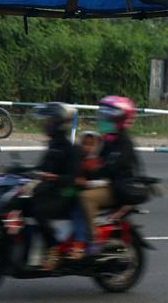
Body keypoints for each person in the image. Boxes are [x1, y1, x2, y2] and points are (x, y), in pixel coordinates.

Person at [80, 96, 141, 239]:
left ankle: (94, 235)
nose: (103, 120)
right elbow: (97, 160)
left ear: (119, 120)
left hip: (119, 187)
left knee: (85, 197)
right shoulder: (110, 139)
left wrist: (91, 173)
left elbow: (109, 167)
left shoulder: (124, 142)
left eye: (107, 117)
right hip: (109, 183)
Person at [28, 103, 80, 270]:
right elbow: (41, 167)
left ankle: (53, 247)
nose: (45, 125)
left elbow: (72, 177)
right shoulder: (53, 145)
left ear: (57, 123)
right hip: (51, 191)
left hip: (65, 195)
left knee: (38, 211)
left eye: (49, 121)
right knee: (24, 204)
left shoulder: (68, 148)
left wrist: (54, 178)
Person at [68, 130, 103, 259]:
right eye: (85, 144)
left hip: (88, 194)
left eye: (90, 144)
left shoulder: (97, 163)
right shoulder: (78, 158)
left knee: (77, 210)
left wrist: (86, 183)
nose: (87, 147)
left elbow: (102, 182)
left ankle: (80, 242)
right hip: (77, 189)